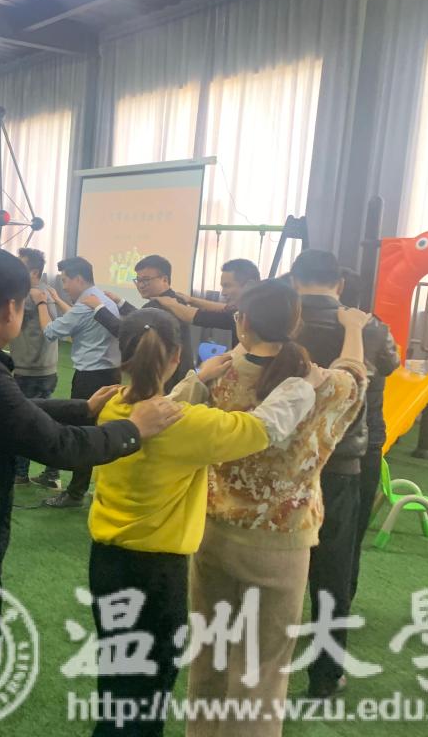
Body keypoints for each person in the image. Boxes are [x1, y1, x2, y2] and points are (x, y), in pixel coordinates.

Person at [0, 248, 185, 736]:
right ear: (12, 308)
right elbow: (60, 448)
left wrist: (83, 408)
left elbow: (13, 414)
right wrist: (133, 429)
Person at [88, 307, 317, 736]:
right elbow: (263, 428)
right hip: (157, 577)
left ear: (123, 354)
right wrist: (303, 386)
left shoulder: (110, 408)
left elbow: (163, 407)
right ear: (176, 356)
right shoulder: (191, 426)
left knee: (116, 682)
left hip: (105, 565)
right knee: (146, 696)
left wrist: (197, 379)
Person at [177, 280, 368, 737]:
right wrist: (353, 328)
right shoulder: (321, 384)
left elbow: (175, 415)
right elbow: (356, 375)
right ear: (294, 324)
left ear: (241, 321)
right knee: (262, 669)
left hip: (214, 530)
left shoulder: (217, 375)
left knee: (209, 654)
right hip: (283, 541)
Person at [290, 250, 399, 697]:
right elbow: (388, 365)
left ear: (294, 280)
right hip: (342, 460)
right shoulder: (368, 327)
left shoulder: (282, 318)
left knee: (270, 556)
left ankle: (258, 658)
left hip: (284, 455)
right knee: (334, 565)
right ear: (339, 283)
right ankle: (325, 673)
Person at [36, 256, 122, 508]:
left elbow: (50, 332)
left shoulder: (86, 305)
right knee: (94, 429)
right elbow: (78, 318)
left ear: (80, 279)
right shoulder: (101, 300)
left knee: (82, 433)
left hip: (90, 377)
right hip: (109, 373)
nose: (64, 286)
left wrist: (41, 302)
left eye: (65, 280)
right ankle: (81, 485)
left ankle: (75, 492)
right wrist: (57, 300)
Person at [338, 269, 399, 603]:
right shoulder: (377, 328)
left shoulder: (308, 323)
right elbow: (391, 364)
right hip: (366, 437)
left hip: (328, 439)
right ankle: (341, 602)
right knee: (352, 530)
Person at [85, 254, 195, 392]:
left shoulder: (161, 306)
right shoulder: (175, 300)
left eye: (146, 280)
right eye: (138, 280)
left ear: (165, 279)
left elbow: (128, 332)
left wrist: (98, 308)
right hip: (180, 374)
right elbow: (142, 318)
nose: (141, 285)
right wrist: (120, 302)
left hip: (168, 380)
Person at [9, 247, 61, 487]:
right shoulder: (43, 292)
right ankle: (48, 472)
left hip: (32, 371)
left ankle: (23, 473)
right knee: (41, 420)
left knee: (27, 423)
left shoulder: (32, 296)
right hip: (42, 369)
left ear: (34, 272)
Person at [153, 257, 260, 347]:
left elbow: (200, 317)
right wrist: (192, 300)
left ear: (249, 285)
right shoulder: (252, 304)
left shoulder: (250, 314)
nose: (223, 293)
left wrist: (171, 304)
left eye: (227, 286)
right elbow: (224, 308)